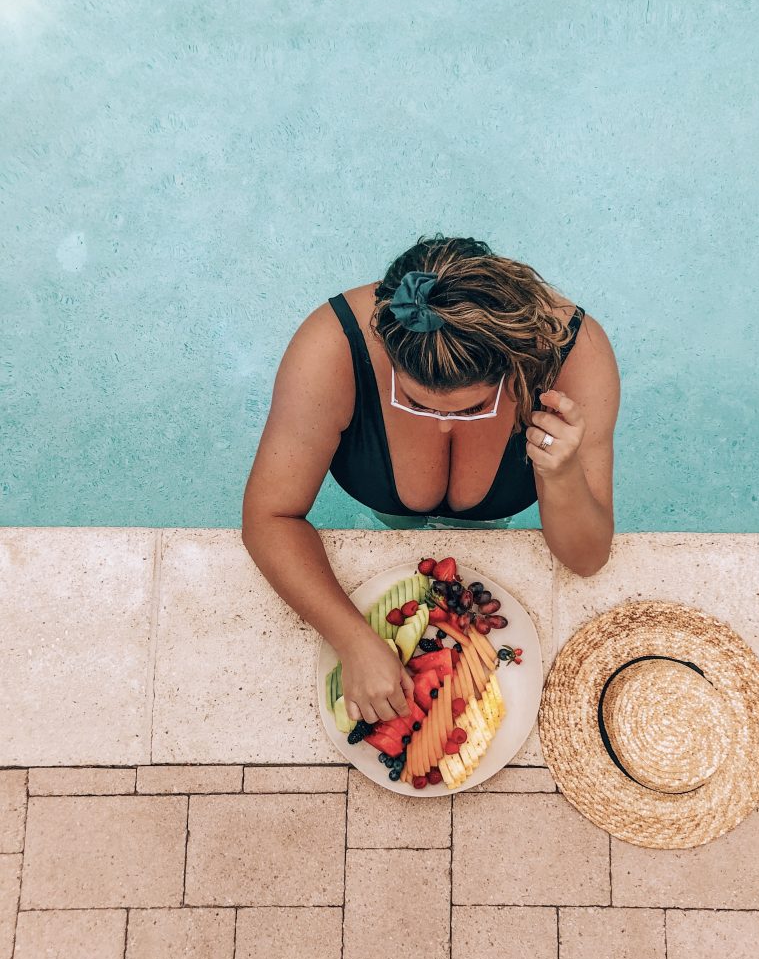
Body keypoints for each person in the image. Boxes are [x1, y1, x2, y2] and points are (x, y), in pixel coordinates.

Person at [242, 234, 620, 726]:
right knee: (395, 513)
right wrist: (354, 640)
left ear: (513, 365)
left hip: (492, 514)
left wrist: (562, 473)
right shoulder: (330, 350)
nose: (442, 423)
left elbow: (586, 559)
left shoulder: (575, 357)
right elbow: (268, 516)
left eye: (473, 408)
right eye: (418, 404)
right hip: (389, 507)